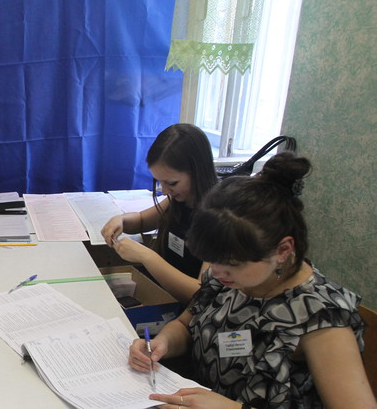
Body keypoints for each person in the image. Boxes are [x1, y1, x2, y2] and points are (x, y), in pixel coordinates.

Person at [128, 153, 376, 408]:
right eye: (212, 261)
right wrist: (162, 344)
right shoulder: (226, 277)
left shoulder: (321, 317)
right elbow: (185, 325)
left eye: (233, 265)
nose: (218, 273)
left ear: (282, 251)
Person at [101, 123, 218, 304]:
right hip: (159, 293)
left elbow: (201, 293)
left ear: (197, 172)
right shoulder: (179, 201)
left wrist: (146, 256)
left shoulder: (218, 216)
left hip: (185, 308)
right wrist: (121, 220)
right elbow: (140, 221)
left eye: (171, 183)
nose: (164, 191)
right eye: (159, 182)